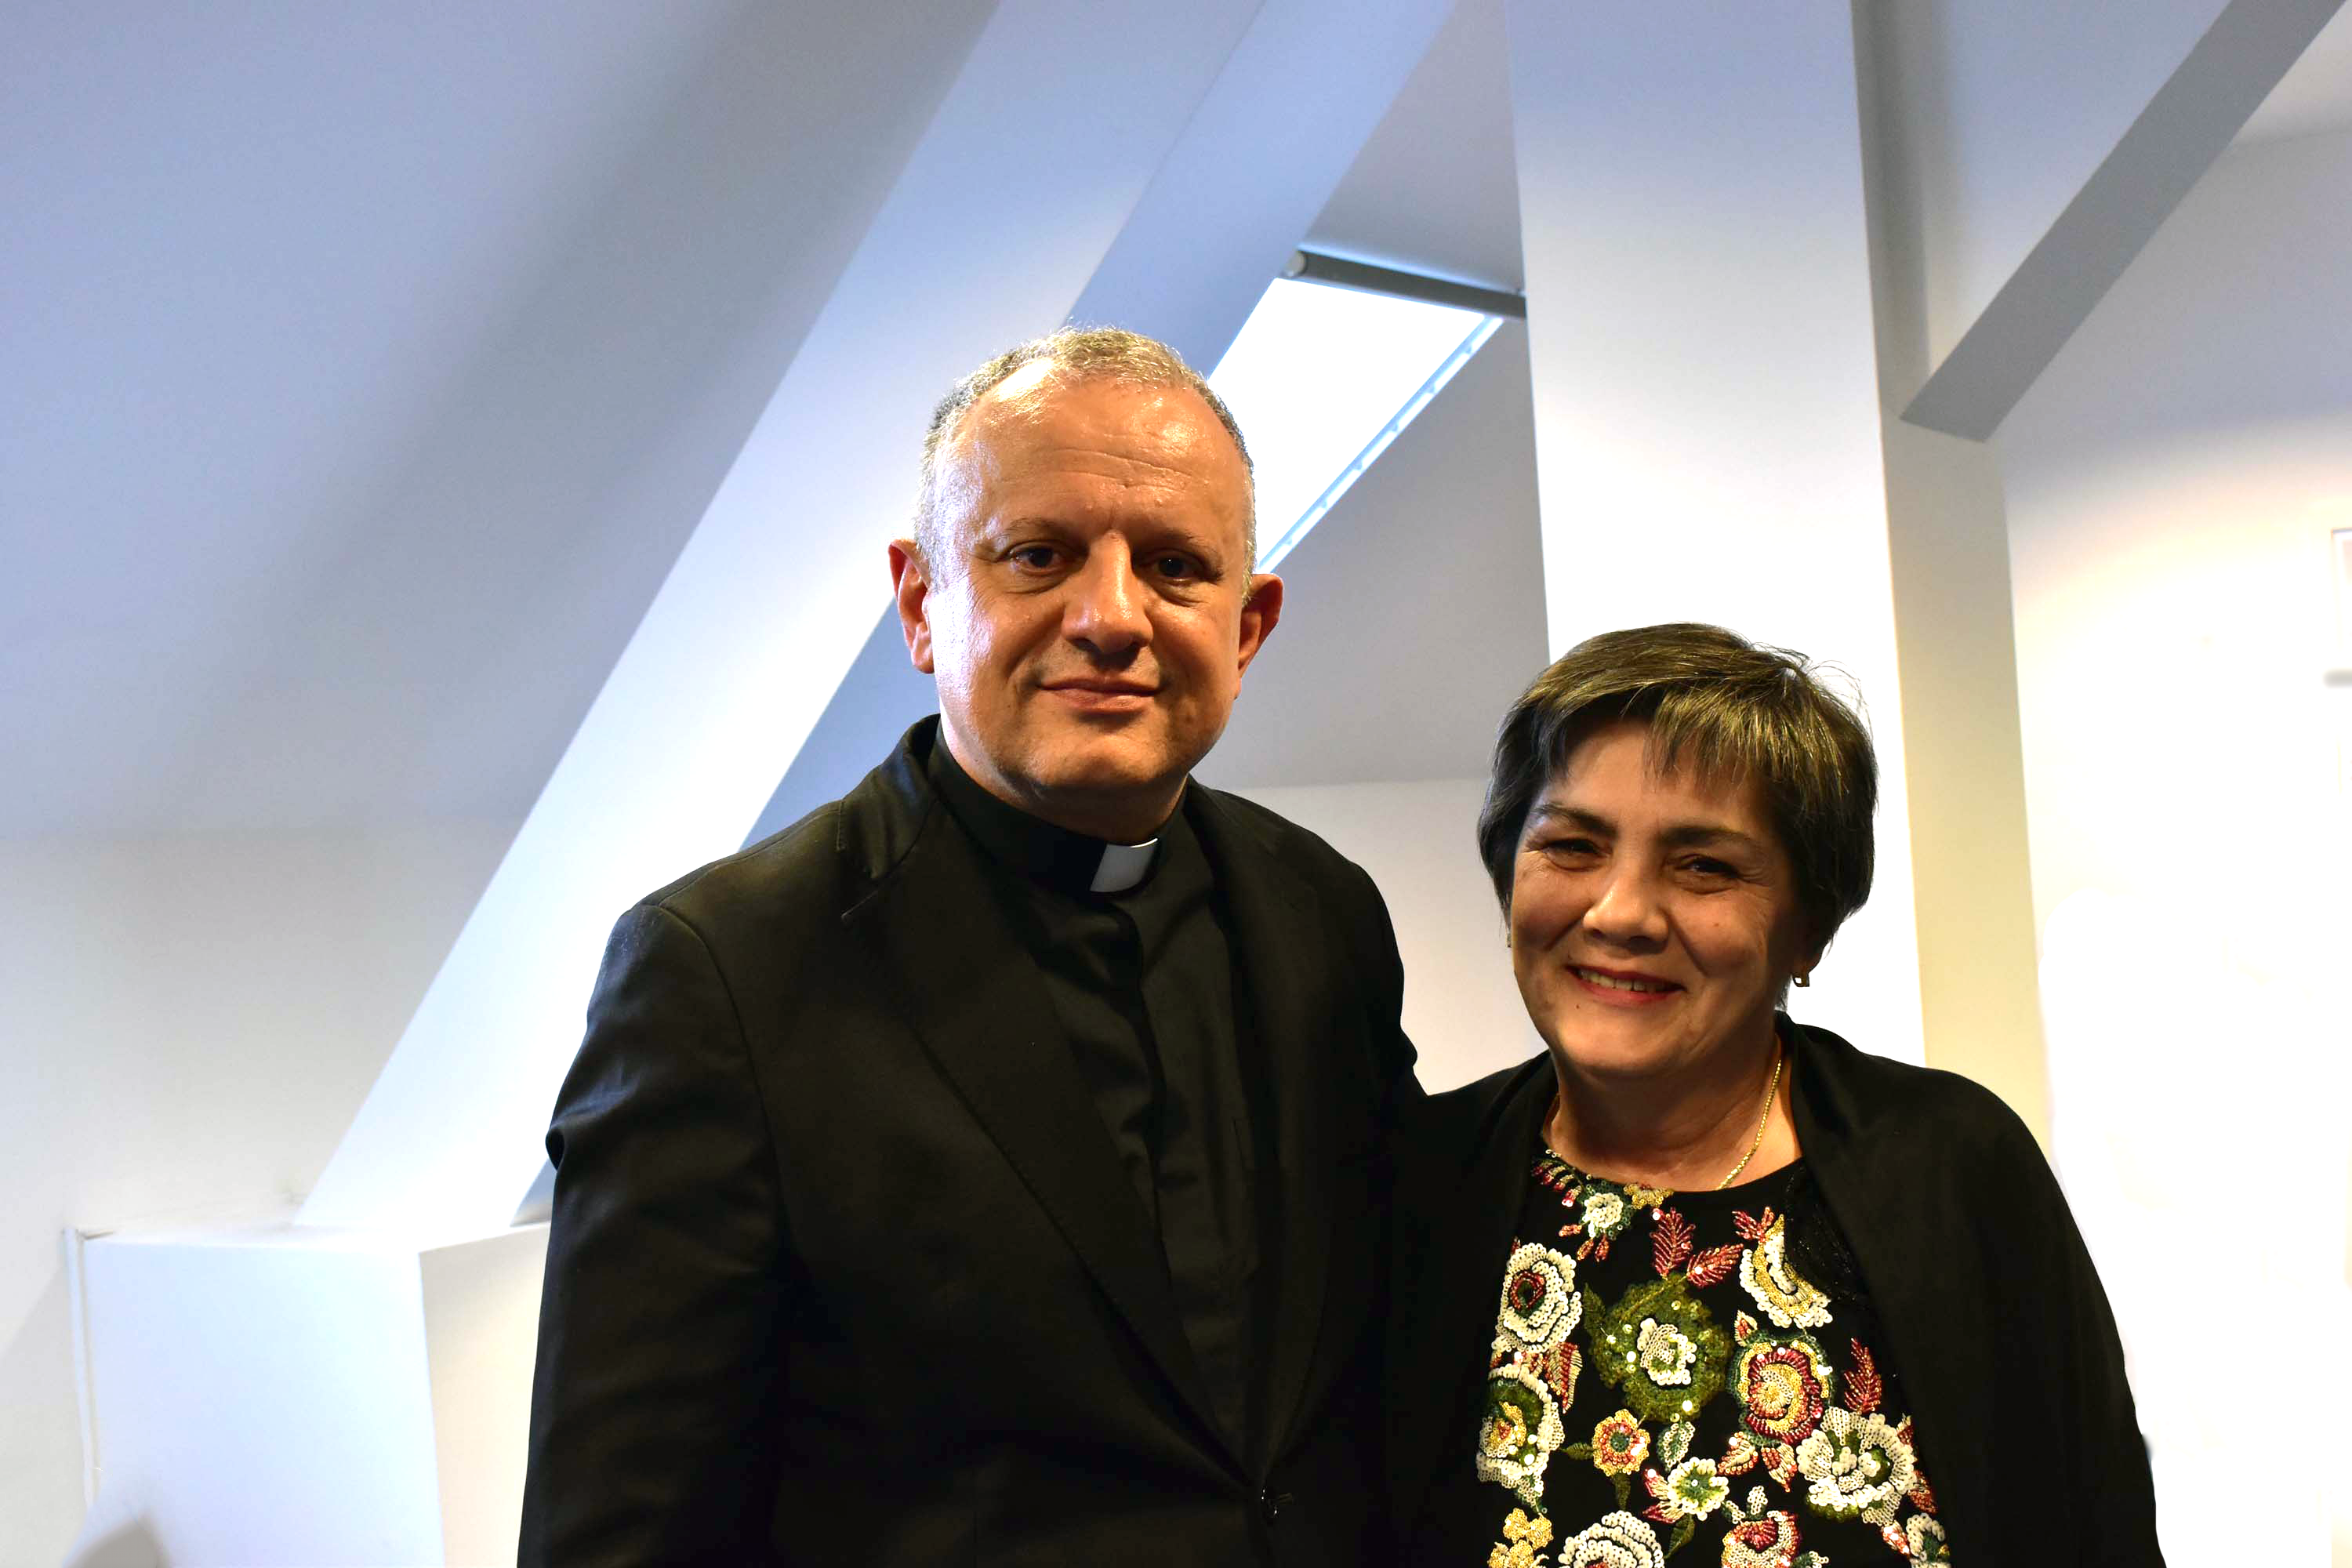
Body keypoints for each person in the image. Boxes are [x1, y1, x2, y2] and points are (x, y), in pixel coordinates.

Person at [518, 328, 1417, 1566]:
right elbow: (621, 1535)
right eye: (1036, 556)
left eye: (1175, 567)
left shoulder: (1323, 909)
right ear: (921, 603)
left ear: (1247, 626)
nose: (1110, 618)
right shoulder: (724, 973)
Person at [1386, 623, 2161, 1567]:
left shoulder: (1954, 1167)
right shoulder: (1410, 1187)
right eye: (1573, 845)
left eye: (1704, 865)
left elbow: (2092, 1527)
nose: (1620, 911)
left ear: (1808, 927)